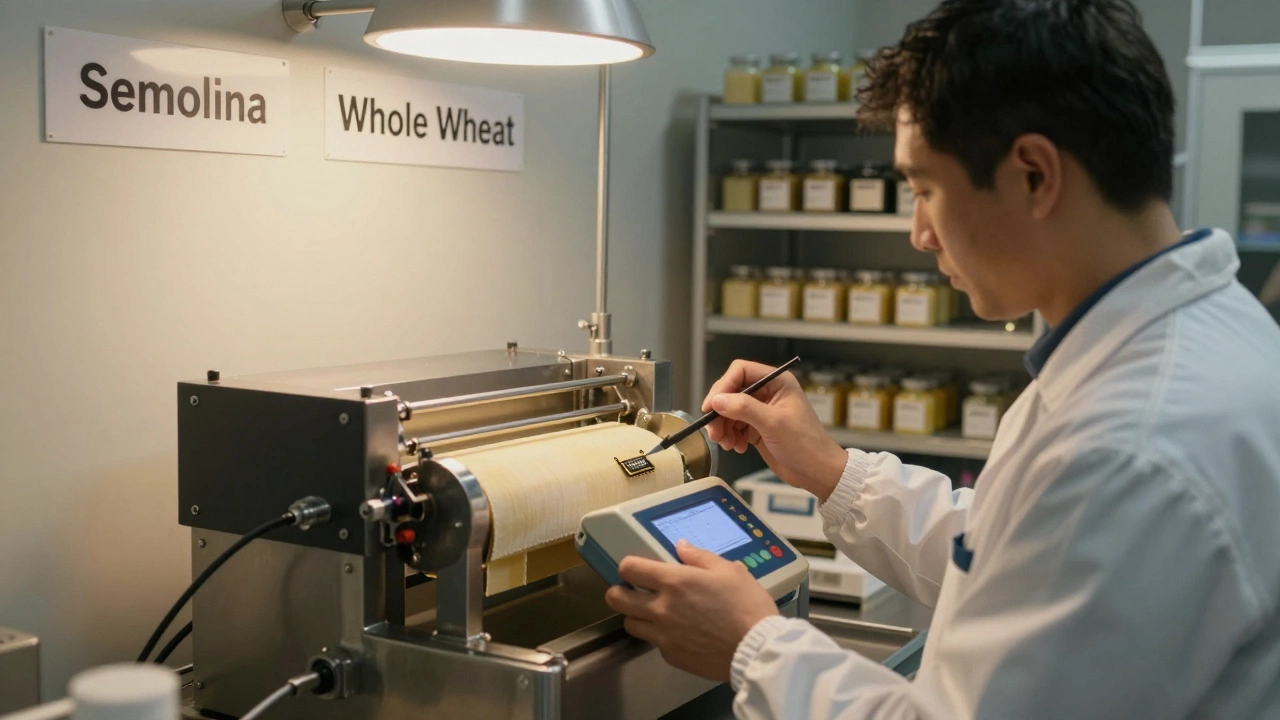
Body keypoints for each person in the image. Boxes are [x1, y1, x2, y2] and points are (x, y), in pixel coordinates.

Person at [605, 0, 1280, 717]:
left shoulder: (1128, 443)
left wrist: (753, 644)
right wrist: (831, 471)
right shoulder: (1203, 334)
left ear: (1032, 174)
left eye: (925, 188)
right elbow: (1015, 558)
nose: (920, 235)